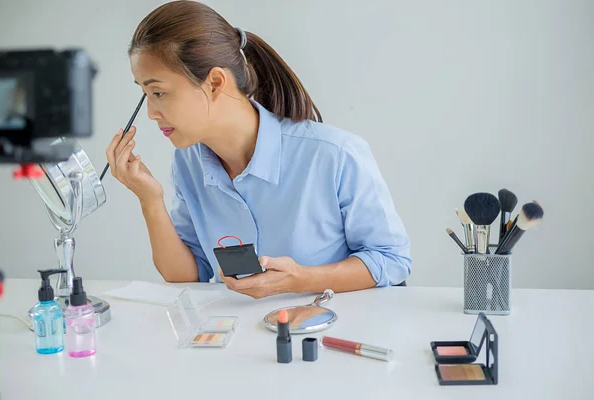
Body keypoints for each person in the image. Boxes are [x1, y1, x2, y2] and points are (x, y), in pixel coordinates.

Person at [106, 0, 412, 299]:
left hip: (331, 335)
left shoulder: (334, 154)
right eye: (144, 93)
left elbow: (392, 261)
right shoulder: (188, 163)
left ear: (215, 82)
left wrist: (302, 280)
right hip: (242, 340)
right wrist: (149, 199)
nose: (150, 112)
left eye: (158, 92)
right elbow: (188, 276)